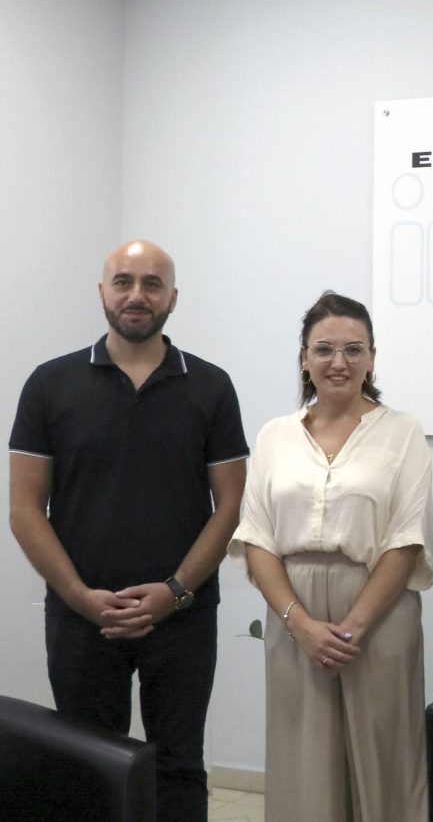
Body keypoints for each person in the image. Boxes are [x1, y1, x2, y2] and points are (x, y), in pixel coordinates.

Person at [8, 240, 248, 822]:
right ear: (102, 292)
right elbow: (23, 508)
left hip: (183, 617)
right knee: (86, 768)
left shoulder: (211, 386)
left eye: (151, 283)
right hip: (82, 619)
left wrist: (176, 592)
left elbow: (230, 507)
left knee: (179, 768)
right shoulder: (49, 383)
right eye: (123, 281)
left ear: (173, 298)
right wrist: (79, 598)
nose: (136, 295)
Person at [227, 291, 433, 821]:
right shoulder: (275, 435)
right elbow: (257, 538)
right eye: (324, 349)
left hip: (379, 613)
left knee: (385, 759)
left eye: (353, 349)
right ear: (304, 357)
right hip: (293, 615)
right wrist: (300, 624)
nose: (338, 362)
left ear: (371, 358)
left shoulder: (402, 432)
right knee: (304, 763)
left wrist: (351, 629)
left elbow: (406, 539)